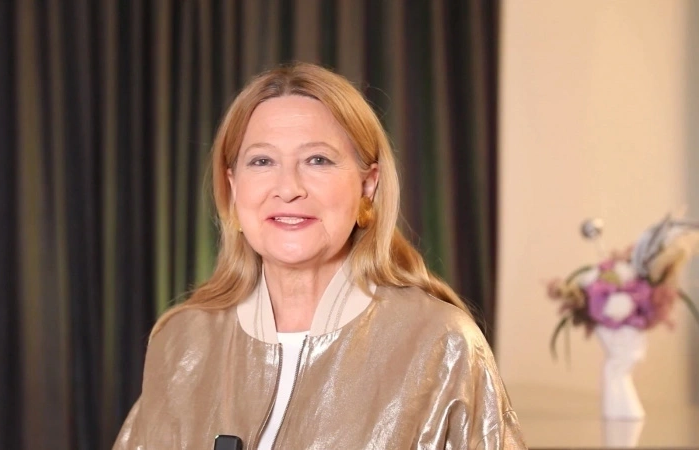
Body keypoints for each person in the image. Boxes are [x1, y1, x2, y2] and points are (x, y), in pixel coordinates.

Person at [114, 62, 526, 449]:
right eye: (262, 161)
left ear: (368, 185)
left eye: (318, 160)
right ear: (234, 186)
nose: (288, 188)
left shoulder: (440, 343)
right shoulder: (181, 342)